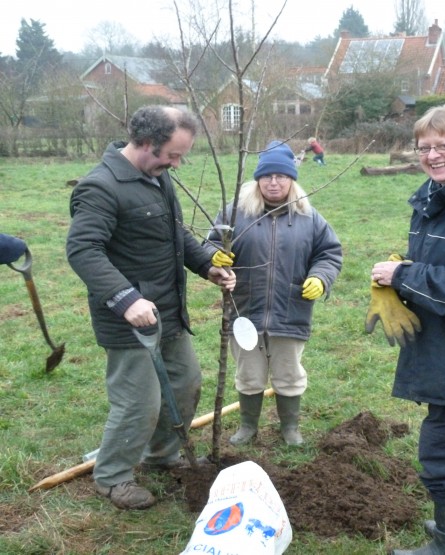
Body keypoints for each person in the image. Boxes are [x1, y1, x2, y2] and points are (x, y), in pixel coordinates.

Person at [66, 105, 236, 511]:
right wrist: (126, 299)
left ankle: (160, 455)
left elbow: (174, 234)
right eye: (172, 155)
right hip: (129, 321)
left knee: (185, 382)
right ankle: (112, 478)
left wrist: (206, 264)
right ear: (144, 143)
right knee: (139, 401)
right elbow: (82, 250)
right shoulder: (102, 187)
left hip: (168, 311)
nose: (176, 164)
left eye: (181, 155)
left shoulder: (156, 179)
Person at [206, 141, 342, 446]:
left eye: (281, 176)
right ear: (257, 180)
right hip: (244, 310)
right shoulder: (235, 213)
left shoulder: (309, 217)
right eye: (267, 177)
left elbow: (329, 253)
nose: (274, 182)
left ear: (292, 179)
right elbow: (210, 244)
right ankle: (247, 426)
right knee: (250, 374)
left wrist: (321, 278)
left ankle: (290, 428)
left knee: (288, 373)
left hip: (291, 309)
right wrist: (214, 257)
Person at [368, 104, 445, 555]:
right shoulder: (434, 198)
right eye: (425, 147)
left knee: (443, 456)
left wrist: (402, 277)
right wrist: (399, 271)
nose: (434, 155)